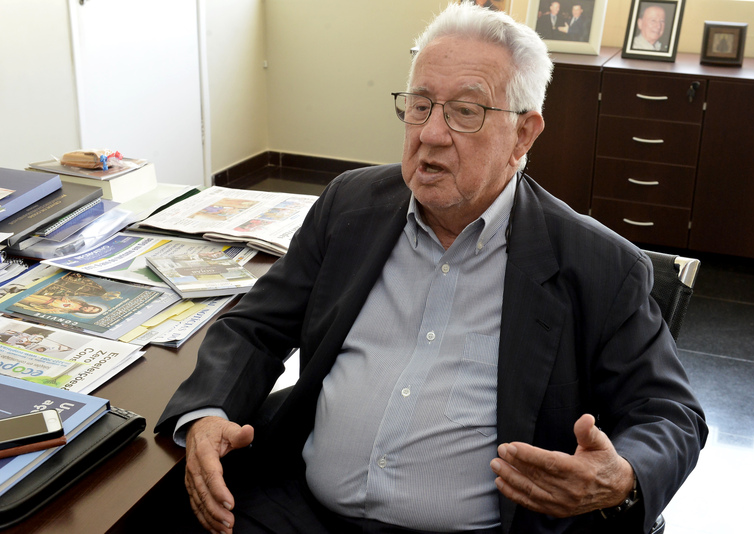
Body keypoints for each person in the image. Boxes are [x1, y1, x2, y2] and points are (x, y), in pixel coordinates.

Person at [156, 3, 707, 534]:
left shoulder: (599, 264)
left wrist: (622, 477)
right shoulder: (350, 206)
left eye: (465, 112)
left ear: (523, 134)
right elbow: (256, 326)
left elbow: (670, 413)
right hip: (299, 509)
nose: (430, 134)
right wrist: (208, 412)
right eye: (419, 105)